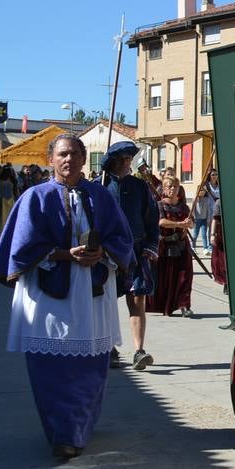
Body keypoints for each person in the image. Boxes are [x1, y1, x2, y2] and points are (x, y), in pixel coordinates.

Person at [0, 133, 134, 462]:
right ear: (50, 159)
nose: (68, 160)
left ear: (84, 159)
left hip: (92, 295)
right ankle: (62, 433)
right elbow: (22, 247)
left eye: (75, 154)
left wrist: (102, 252)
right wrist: (65, 254)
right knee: (52, 368)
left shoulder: (101, 196)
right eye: (62, 154)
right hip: (48, 299)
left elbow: (122, 240)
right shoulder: (34, 198)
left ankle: (79, 427)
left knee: (89, 366)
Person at [104, 141, 160, 370]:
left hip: (136, 252)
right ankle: (109, 348)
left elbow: (151, 218)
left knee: (137, 301)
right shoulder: (100, 188)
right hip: (107, 254)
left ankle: (139, 351)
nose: (128, 163)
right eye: (124, 159)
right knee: (106, 304)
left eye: (129, 158)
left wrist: (150, 245)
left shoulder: (139, 186)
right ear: (113, 162)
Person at [148, 178, 194, 318]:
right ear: (164, 188)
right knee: (166, 278)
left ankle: (184, 305)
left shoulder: (184, 207)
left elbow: (191, 224)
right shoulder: (160, 205)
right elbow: (161, 222)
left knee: (185, 276)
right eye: (169, 186)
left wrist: (188, 223)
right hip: (165, 246)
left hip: (182, 245)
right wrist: (180, 224)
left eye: (175, 186)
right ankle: (166, 305)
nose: (173, 189)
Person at [190, 179, 214, 252]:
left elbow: (209, 211)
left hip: (204, 219)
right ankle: (193, 247)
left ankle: (205, 248)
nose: (202, 192)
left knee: (204, 235)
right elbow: (192, 209)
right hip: (197, 219)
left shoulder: (207, 200)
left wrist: (209, 219)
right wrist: (193, 218)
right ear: (198, 191)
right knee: (195, 234)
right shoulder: (195, 199)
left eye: (203, 191)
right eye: (200, 190)